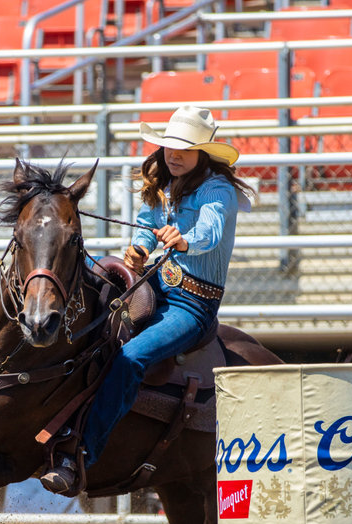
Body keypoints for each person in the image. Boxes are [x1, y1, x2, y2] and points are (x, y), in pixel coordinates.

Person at [40, 104, 253, 495]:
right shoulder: (162, 184)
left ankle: (82, 452)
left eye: (184, 148)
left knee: (132, 356)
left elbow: (210, 232)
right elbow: (144, 226)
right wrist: (138, 250)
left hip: (193, 306)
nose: (174, 154)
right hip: (154, 287)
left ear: (202, 153)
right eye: (170, 146)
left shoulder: (217, 190)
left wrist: (185, 240)